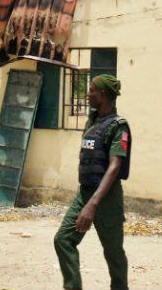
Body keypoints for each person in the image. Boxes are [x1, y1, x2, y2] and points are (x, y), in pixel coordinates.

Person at [54, 74, 132, 290]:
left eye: (91, 91)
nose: (87, 95)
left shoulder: (119, 127)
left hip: (106, 199)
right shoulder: (93, 121)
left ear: (103, 94)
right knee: (63, 240)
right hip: (85, 192)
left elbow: (115, 166)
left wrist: (93, 204)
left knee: (113, 252)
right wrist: (86, 201)